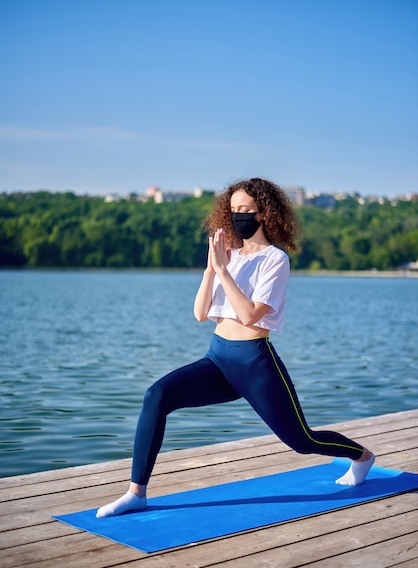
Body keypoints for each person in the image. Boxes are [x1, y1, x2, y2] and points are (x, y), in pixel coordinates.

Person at [96, 177, 375, 518]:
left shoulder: (275, 260)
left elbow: (249, 315)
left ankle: (361, 457)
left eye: (246, 209)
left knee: (302, 441)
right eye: (233, 210)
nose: (238, 215)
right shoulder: (231, 256)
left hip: (255, 364)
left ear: (264, 213)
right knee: (157, 395)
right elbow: (200, 314)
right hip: (218, 359)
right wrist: (211, 269)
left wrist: (224, 271)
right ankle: (136, 493)